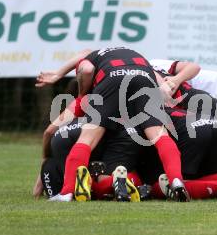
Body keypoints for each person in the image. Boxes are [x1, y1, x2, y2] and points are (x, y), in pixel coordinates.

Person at [36, 47, 189, 202]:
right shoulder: (134, 57)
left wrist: (64, 79)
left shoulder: (89, 83)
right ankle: (176, 180)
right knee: (159, 136)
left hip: (110, 85)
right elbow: (162, 85)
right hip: (143, 78)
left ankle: (68, 191)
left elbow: (87, 69)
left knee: (87, 141)